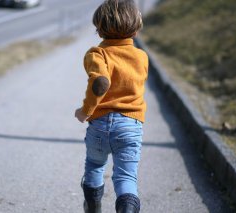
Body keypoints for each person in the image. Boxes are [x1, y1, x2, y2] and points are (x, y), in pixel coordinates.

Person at [74, 0, 148, 212]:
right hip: (130, 125)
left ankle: (93, 206)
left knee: (95, 166)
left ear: (99, 30)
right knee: (126, 176)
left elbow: (100, 82)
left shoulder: (97, 54)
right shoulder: (141, 57)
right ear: (135, 29)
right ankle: (127, 208)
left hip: (99, 125)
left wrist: (84, 111)